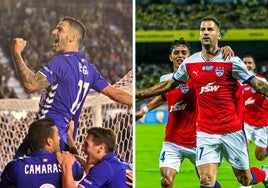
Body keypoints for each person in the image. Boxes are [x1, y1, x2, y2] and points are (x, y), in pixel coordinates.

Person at [136, 16, 268, 187]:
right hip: (205, 133)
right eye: (202, 29)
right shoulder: (190, 63)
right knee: (206, 180)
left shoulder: (231, 61)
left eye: (210, 29)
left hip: (232, 130)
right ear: (199, 35)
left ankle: (264, 173)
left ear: (218, 35)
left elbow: (256, 83)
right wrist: (141, 94)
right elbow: (169, 85)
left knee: (245, 179)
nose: (206, 32)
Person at [11, 16, 132, 157]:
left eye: (60, 29)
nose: (53, 32)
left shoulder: (60, 63)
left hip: (46, 135)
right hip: (66, 139)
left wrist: (16, 53)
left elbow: (30, 85)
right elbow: (116, 94)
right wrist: (138, 102)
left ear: (72, 37)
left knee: (17, 173)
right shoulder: (89, 69)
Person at [136, 38, 233, 188]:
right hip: (173, 141)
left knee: (207, 181)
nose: (180, 55)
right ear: (171, 57)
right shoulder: (165, 80)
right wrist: (144, 110)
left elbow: (212, 57)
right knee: (166, 181)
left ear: (190, 56)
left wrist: (222, 49)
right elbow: (163, 97)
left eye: (184, 52)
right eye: (176, 52)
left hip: (198, 140)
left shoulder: (199, 75)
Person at [0, 117, 84, 188]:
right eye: (57, 134)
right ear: (49, 141)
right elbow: (82, 170)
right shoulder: (68, 163)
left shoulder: (15, 167)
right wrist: (69, 137)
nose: (59, 138)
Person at [57, 126, 132, 188]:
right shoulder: (122, 165)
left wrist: (66, 166)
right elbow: (88, 167)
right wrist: (69, 137)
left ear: (101, 148)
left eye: (86, 145)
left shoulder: (104, 168)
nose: (82, 148)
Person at [242, 54, 268, 161]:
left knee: (260, 156)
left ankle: (265, 174)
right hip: (245, 121)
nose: (247, 65)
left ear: (254, 66)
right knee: (242, 148)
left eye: (249, 63)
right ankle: (244, 175)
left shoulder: (260, 80)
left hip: (261, 121)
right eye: (245, 63)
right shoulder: (237, 81)